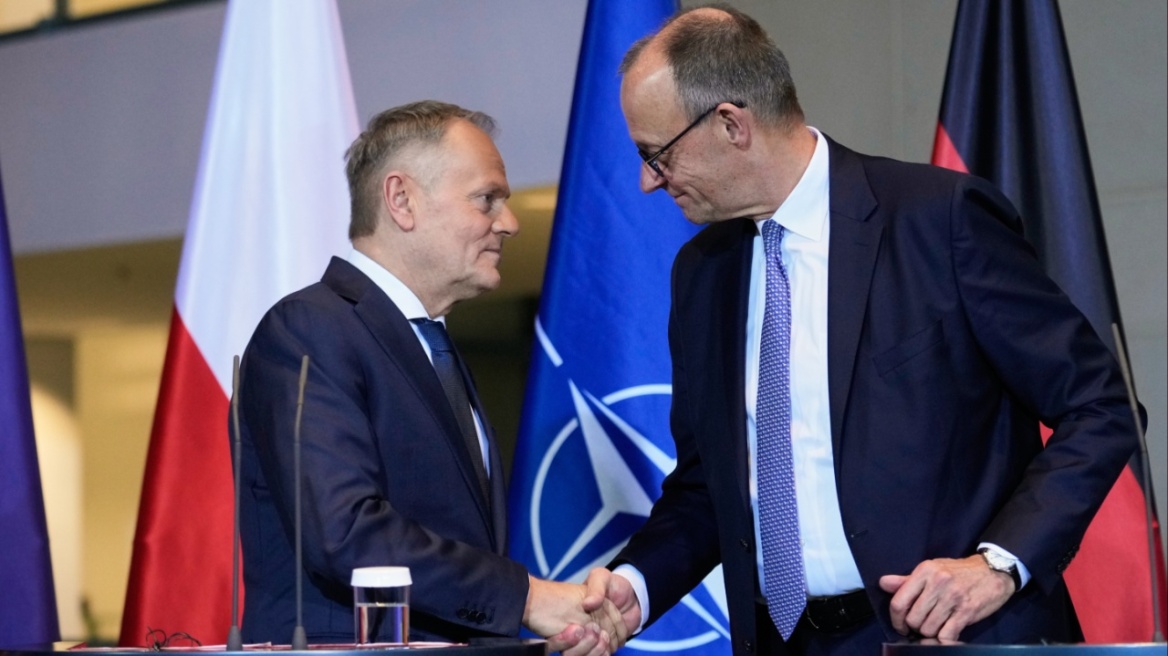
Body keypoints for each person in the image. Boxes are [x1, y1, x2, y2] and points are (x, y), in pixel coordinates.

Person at [579, 5, 1141, 655]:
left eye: (657, 154)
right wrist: (638, 584)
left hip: (951, 638)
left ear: (731, 124)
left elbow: (1100, 407)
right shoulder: (703, 274)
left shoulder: (938, 221)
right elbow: (711, 488)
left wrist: (997, 564)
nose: (648, 182)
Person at [236, 100, 624, 653]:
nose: (509, 222)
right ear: (402, 200)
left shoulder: (431, 345)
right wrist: (526, 598)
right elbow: (347, 532)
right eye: (486, 199)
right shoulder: (309, 328)